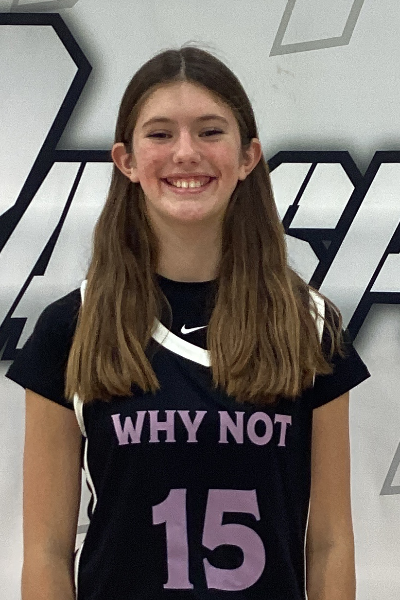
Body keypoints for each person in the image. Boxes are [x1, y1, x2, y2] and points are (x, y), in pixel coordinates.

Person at [6, 46, 370, 600]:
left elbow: (330, 543)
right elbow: (46, 553)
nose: (185, 153)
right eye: (159, 134)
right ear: (126, 161)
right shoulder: (73, 327)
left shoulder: (307, 324)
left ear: (247, 157)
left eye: (210, 132)